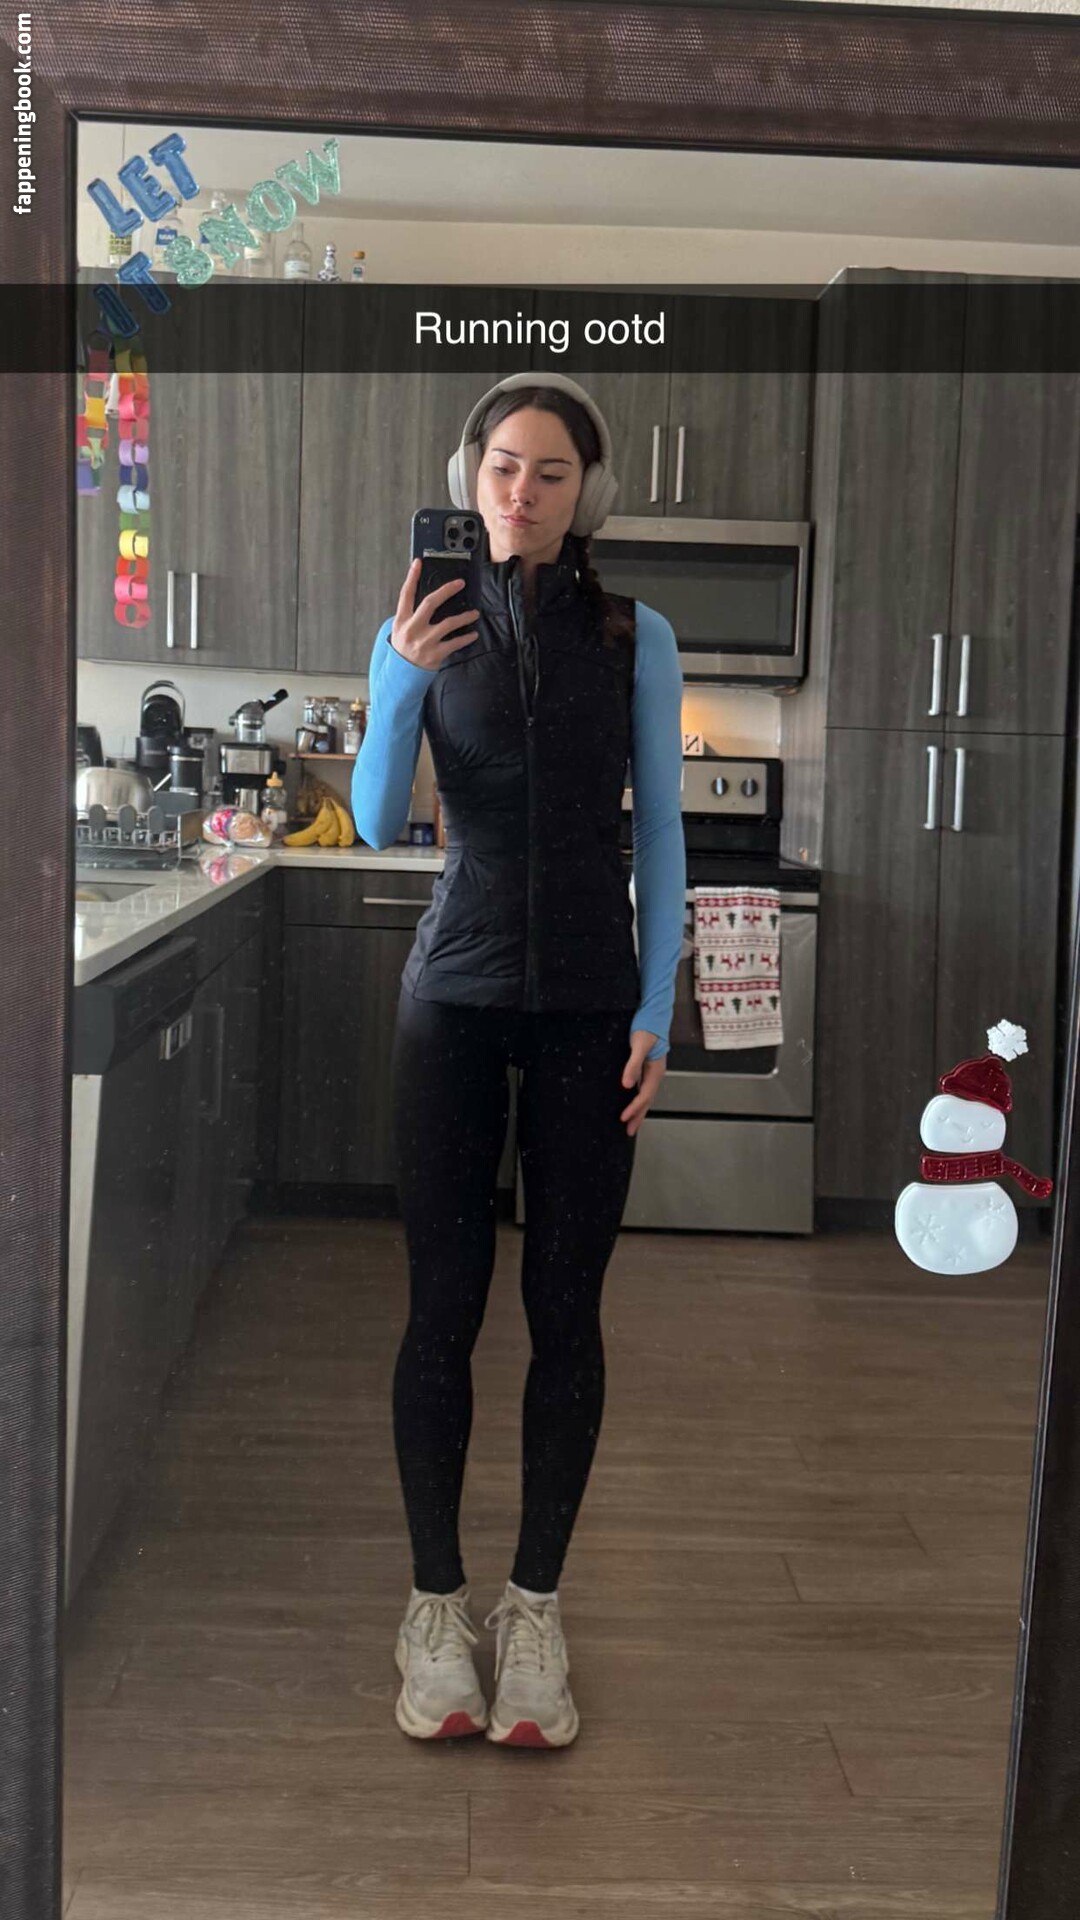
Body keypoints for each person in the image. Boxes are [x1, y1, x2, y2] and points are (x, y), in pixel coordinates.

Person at [352, 371, 685, 1747]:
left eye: (551, 471)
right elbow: (378, 819)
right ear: (470, 478)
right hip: (456, 997)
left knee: (567, 1310)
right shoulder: (420, 625)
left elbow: (660, 830)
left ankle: (533, 1608)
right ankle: (435, 1609)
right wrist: (397, 680)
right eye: (502, 465)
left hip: (592, 1008)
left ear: (585, 492)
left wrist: (658, 1006)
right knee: (442, 1307)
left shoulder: (635, 635)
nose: (522, 491)